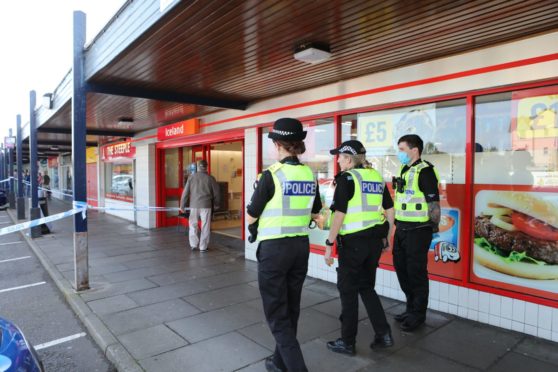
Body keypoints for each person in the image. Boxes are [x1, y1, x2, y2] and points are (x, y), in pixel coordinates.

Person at [246, 118, 321, 372]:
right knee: (291, 307)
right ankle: (279, 362)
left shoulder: (271, 175)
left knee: (277, 314)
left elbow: (251, 215)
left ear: (278, 145)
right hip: (300, 248)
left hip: (274, 252)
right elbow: (315, 212)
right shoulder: (309, 174)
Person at [323, 140, 394, 356]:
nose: (337, 160)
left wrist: (329, 244)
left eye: (340, 157)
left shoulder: (347, 179)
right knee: (366, 287)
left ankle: (347, 342)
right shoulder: (375, 177)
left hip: (353, 245)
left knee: (348, 291)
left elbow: (339, 215)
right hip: (373, 243)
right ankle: (384, 334)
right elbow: (390, 210)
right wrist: (387, 238)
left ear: (349, 159)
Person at [392, 134, 440, 332]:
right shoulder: (404, 169)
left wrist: (433, 226)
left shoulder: (425, 171)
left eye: (402, 149)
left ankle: (418, 314)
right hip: (402, 228)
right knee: (402, 269)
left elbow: (434, 204)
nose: (399, 153)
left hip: (418, 230)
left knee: (416, 273)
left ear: (414, 150)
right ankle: (410, 307)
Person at [179, 159, 220, 252]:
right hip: (206, 206)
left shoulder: (191, 178)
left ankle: (193, 245)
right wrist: (217, 205)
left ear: (198, 167)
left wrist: (182, 205)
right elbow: (217, 193)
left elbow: (185, 193)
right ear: (206, 167)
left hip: (194, 205)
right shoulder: (210, 178)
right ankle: (203, 247)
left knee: (193, 225)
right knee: (205, 226)